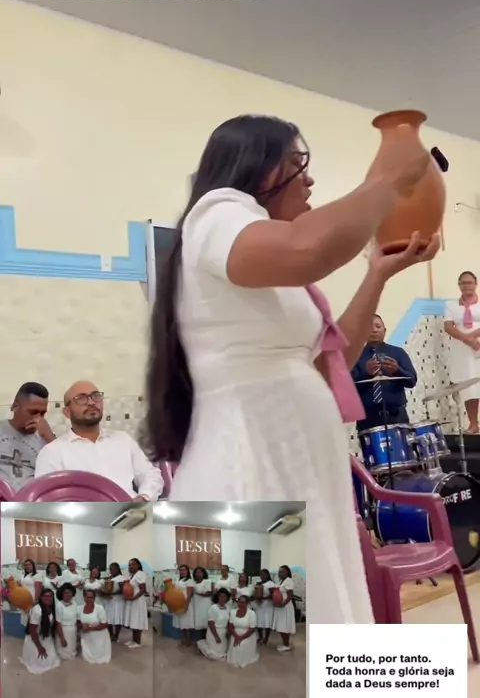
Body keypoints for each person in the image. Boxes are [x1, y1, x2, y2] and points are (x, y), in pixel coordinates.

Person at [145, 114, 439, 624]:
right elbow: (308, 247)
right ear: (257, 167)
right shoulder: (217, 214)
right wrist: (387, 184)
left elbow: (327, 366)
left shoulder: (269, 266)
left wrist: (378, 274)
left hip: (296, 464)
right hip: (251, 463)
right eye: (297, 163)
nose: (309, 180)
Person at [34, 381, 163, 500]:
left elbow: (151, 474)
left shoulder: (123, 440)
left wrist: (144, 497)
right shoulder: (52, 452)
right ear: (67, 412)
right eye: (81, 399)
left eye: (96, 396)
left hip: (132, 512)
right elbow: (45, 499)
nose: (91, 402)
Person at [351, 314, 417, 431]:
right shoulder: (355, 356)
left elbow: (412, 381)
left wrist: (397, 371)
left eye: (378, 326)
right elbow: (348, 387)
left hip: (397, 416)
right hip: (367, 419)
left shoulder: (398, 352)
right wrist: (366, 373)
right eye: (369, 327)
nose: (374, 330)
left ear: (385, 331)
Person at [0, 382, 55, 489]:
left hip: (33, 496)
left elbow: (64, 471)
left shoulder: (47, 440)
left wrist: (50, 439)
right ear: (15, 406)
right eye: (33, 412)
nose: (38, 419)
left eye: (42, 414)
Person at [444, 271, 480, 433]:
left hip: (478, 345)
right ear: (459, 285)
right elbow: (448, 326)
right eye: (463, 283)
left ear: (475, 284)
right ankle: (473, 423)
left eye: (469, 282)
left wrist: (473, 338)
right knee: (469, 387)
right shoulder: (451, 305)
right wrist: (467, 340)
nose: (467, 286)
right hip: (462, 350)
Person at [21, 588, 60, 674]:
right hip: (35, 639)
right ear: (41, 597)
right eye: (45, 596)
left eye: (50, 596)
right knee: (40, 665)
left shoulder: (51, 608)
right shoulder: (37, 610)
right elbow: (32, 631)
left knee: (52, 661)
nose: (48, 598)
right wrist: (39, 647)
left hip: (46, 637)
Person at [197, 588, 230, 661]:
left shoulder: (228, 608)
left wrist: (228, 632)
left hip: (223, 632)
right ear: (217, 597)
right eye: (221, 596)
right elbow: (211, 623)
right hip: (214, 632)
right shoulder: (213, 608)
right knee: (215, 656)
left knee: (223, 653)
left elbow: (228, 621)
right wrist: (216, 637)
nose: (223, 598)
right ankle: (200, 645)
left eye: (225, 596)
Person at [79, 589, 111, 664]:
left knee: (100, 658)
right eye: (88, 597)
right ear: (84, 597)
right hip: (86, 637)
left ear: (94, 598)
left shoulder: (99, 608)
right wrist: (81, 626)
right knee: (87, 657)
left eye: (92, 597)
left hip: (99, 636)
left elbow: (105, 624)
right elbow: (78, 622)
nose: (90, 599)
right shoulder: (79, 608)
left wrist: (91, 628)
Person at [227, 594, 259, 668]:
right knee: (236, 647)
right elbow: (230, 626)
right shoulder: (233, 612)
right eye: (239, 602)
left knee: (242, 645)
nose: (240, 604)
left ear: (247, 603)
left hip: (247, 635)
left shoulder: (251, 613)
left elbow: (252, 629)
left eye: (243, 603)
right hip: (235, 633)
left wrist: (241, 638)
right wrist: (236, 636)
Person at [123, 558, 148, 649]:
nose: (131, 566)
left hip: (137, 601)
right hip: (132, 600)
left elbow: (143, 589)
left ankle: (138, 641)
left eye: (133, 564)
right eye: (129, 565)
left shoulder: (140, 574)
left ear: (138, 565)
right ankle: (133, 640)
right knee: (133, 620)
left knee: (138, 620)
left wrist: (133, 598)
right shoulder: (131, 575)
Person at [272, 565, 296, 652]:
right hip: (279, 606)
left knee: (285, 626)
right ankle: (284, 643)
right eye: (279, 572)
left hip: (285, 607)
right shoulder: (280, 581)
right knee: (281, 626)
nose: (280, 573)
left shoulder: (289, 581)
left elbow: (290, 596)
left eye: (282, 571)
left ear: (287, 572)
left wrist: (283, 604)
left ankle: (286, 645)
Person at [102, 562, 125, 642]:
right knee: (109, 618)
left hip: (118, 601)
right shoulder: (110, 578)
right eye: (110, 569)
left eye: (113, 569)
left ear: (118, 569)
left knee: (118, 618)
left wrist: (112, 593)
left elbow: (122, 589)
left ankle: (116, 636)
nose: (111, 570)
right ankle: (111, 634)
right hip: (109, 601)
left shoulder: (121, 578)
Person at [172, 564, 195, 646]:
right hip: (178, 603)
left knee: (186, 623)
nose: (182, 572)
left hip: (186, 603)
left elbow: (189, 595)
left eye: (184, 570)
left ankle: (188, 640)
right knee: (180, 622)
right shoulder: (178, 580)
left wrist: (186, 606)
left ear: (187, 571)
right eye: (181, 570)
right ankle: (184, 639)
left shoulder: (190, 581)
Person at [55, 582, 79, 660]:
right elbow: (58, 623)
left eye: (70, 592)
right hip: (63, 629)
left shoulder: (74, 603)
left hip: (73, 629)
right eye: (65, 593)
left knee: (72, 651)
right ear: (62, 594)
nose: (68, 595)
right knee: (64, 654)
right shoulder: (59, 605)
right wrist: (62, 638)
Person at [254, 568, 275, 645]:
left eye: (263, 574)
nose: (262, 576)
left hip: (267, 605)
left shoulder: (271, 584)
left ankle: (266, 638)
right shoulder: (259, 583)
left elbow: (273, 595)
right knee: (258, 621)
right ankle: (260, 636)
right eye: (261, 575)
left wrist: (264, 598)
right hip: (259, 605)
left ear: (267, 575)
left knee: (267, 621)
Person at [19, 559, 43, 626]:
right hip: (24, 601)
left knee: (33, 622)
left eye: (29, 564)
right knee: (25, 622)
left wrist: (35, 601)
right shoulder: (23, 575)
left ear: (33, 565)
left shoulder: (37, 575)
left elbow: (38, 590)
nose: (27, 566)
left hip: (32, 601)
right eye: (26, 565)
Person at [192, 566, 212, 635]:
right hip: (196, 604)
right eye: (197, 572)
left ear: (203, 573)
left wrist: (196, 593)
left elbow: (209, 593)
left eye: (200, 572)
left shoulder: (207, 581)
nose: (198, 574)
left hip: (205, 604)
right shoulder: (193, 583)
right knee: (199, 621)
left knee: (205, 620)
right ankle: (202, 638)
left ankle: (207, 637)